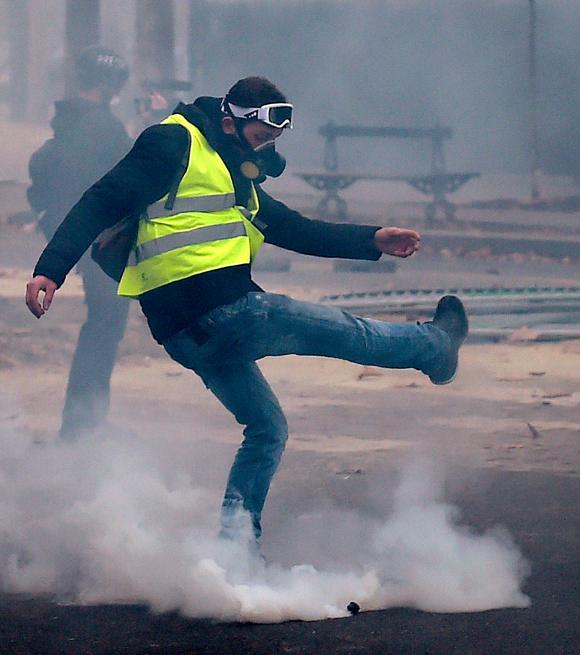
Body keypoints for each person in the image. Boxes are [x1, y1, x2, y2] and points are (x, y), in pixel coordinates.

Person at [25, 76, 468, 545]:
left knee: (266, 428)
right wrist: (50, 270)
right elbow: (100, 200)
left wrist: (372, 239)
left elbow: (294, 229)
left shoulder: (232, 173)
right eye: (262, 138)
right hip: (229, 312)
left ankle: (236, 549)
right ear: (230, 122)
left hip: (186, 337)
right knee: (350, 333)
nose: (267, 149)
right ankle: (435, 348)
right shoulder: (172, 142)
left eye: (274, 140)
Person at [26, 46, 134, 439]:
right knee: (104, 328)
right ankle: (82, 424)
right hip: (101, 243)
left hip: (80, 238)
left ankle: (83, 421)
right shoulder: (102, 127)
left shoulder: (70, 121)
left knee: (101, 327)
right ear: (110, 85)